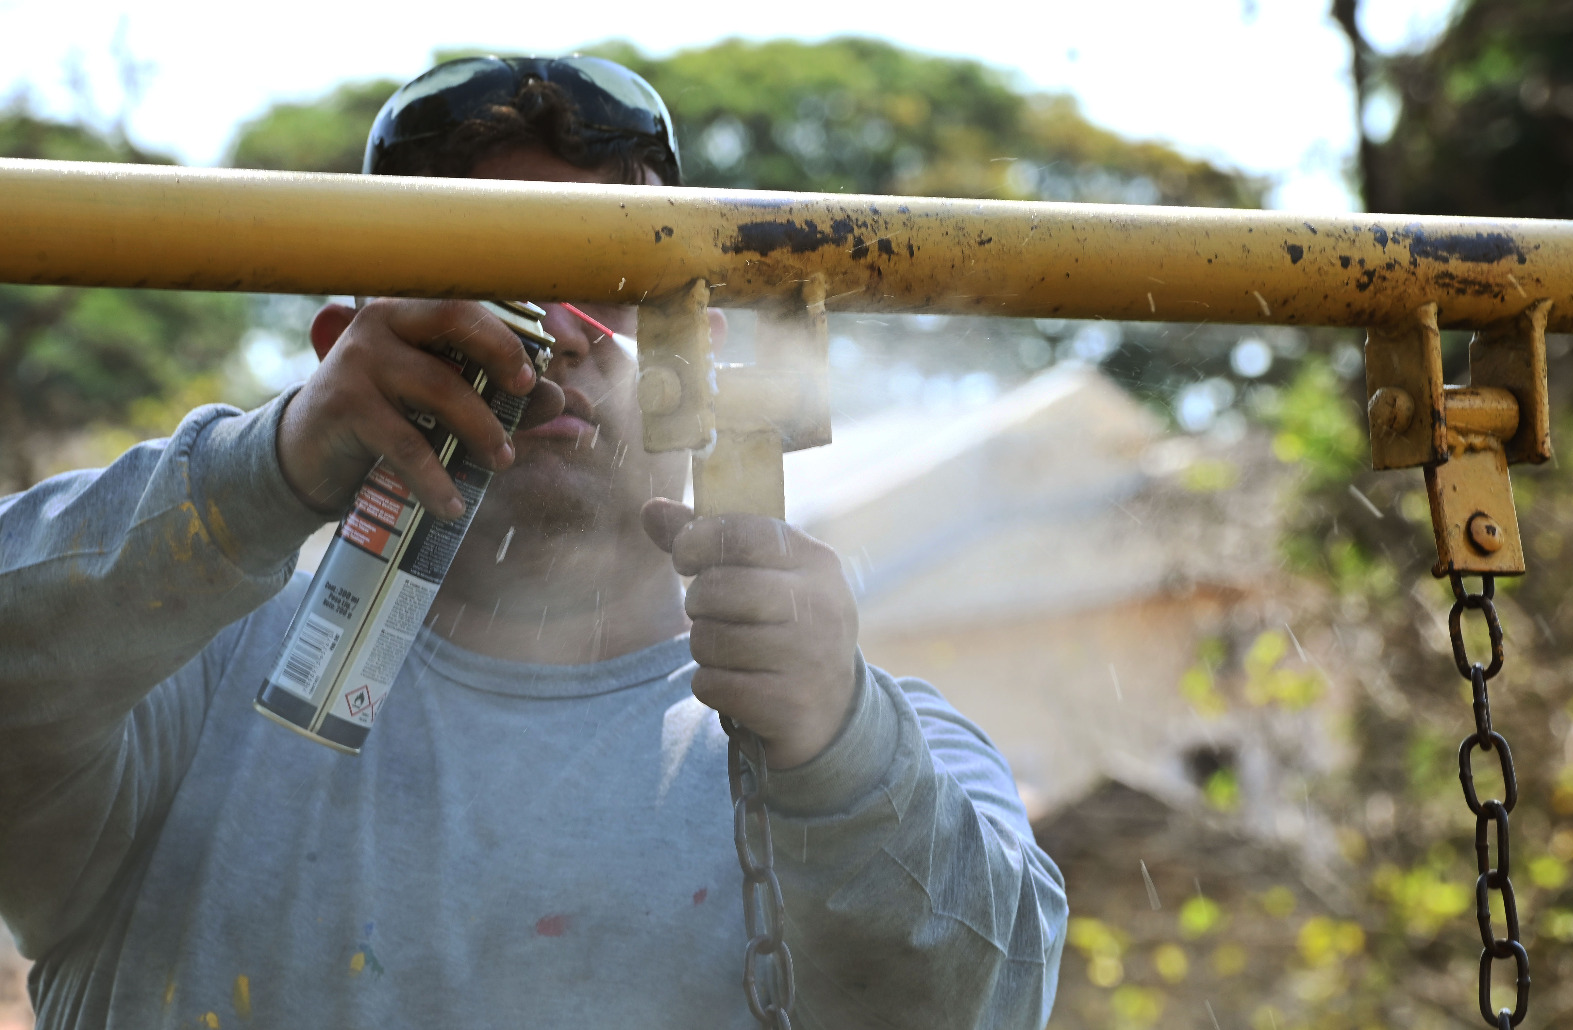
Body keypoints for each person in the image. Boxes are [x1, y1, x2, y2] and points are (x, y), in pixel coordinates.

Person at [0, 56, 1067, 1029]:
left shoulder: (878, 743)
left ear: (703, 353)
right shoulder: (171, 684)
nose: (557, 333)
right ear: (343, 350)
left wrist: (841, 747)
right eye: (487, 276)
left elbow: (982, 1002)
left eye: (613, 277)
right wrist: (265, 463)